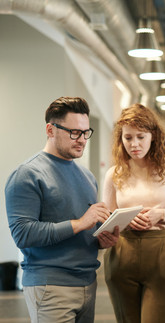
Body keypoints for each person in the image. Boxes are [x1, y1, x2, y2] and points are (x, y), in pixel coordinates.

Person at [5, 96, 119, 323]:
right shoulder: (27, 174)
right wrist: (80, 223)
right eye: (74, 132)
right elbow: (23, 234)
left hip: (88, 282)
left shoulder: (86, 176)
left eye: (86, 132)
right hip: (50, 286)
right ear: (50, 129)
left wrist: (100, 240)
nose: (82, 140)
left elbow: (81, 232)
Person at [102, 104, 165, 323]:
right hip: (122, 254)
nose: (134, 144)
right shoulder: (114, 173)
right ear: (120, 139)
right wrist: (125, 220)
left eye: (141, 137)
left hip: (162, 254)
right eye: (128, 138)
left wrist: (162, 215)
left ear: (153, 135)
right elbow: (106, 220)